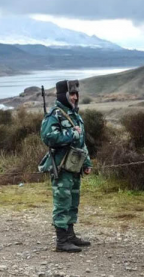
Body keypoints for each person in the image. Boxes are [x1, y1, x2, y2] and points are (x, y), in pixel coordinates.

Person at [39, 80, 92, 253]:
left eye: (76, 94)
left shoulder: (75, 114)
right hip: (61, 167)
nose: (75, 97)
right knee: (62, 201)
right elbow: (48, 137)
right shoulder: (55, 114)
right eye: (71, 94)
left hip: (75, 166)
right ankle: (61, 241)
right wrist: (71, 133)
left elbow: (81, 142)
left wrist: (87, 163)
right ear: (63, 95)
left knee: (73, 201)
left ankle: (70, 235)